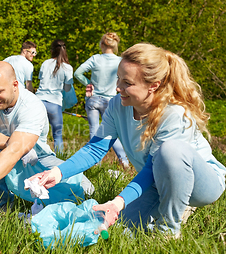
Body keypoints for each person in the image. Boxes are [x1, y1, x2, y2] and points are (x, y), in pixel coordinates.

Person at [29, 43, 226, 237]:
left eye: (127, 83)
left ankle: (168, 229)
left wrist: (117, 202)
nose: (117, 88)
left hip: (201, 186)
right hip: (157, 183)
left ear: (153, 86)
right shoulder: (117, 105)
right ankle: (170, 204)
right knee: (119, 228)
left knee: (170, 151)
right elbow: (95, 149)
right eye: (118, 79)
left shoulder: (174, 114)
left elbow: (151, 168)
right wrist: (57, 172)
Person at [0, 61, 93, 212]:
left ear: (15, 85)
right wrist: (13, 143)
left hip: (39, 158)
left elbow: (14, 150)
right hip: (8, 152)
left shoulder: (32, 106)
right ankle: (5, 204)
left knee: (83, 188)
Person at [74, 32, 129, 167]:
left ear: (102, 44)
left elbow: (77, 73)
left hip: (93, 99)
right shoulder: (119, 61)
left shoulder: (95, 59)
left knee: (94, 129)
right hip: (111, 101)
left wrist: (88, 83)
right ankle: (124, 160)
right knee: (113, 132)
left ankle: (94, 163)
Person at [35, 39, 73, 153]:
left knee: (38, 134)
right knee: (57, 135)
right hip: (54, 103)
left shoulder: (45, 63)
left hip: (39, 101)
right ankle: (59, 159)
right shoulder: (67, 68)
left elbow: (41, 80)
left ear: (52, 50)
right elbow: (67, 89)